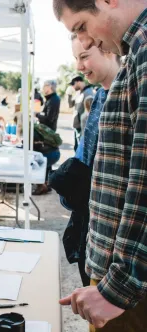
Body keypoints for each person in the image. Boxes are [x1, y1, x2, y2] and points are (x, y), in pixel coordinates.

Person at [53, 0, 147, 330]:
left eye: (81, 27)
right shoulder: (138, 51)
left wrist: (119, 287)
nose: (88, 40)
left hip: (130, 288)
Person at [52, 34, 121, 288]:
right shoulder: (101, 96)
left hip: (116, 246)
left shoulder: (125, 98)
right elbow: (84, 157)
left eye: (84, 57)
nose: (78, 67)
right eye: (76, 58)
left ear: (107, 48)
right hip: (92, 230)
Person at [67, 75, 94, 151]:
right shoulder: (78, 93)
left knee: (81, 151)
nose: (72, 86)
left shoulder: (89, 93)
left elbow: (90, 113)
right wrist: (69, 95)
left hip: (82, 128)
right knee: (76, 149)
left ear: (78, 82)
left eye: (73, 84)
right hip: (76, 127)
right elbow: (70, 105)